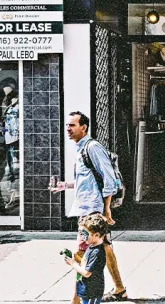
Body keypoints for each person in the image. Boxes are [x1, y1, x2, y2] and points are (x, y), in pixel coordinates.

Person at [49, 112, 127, 303]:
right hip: (88, 208)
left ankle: (77, 301)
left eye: (72, 125)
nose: (68, 129)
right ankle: (119, 289)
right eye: (67, 125)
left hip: (92, 211)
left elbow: (110, 179)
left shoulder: (92, 147)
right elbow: (87, 181)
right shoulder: (81, 148)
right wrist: (65, 186)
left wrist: (106, 209)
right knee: (105, 249)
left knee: (82, 255)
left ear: (84, 127)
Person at [63, 212, 109, 304]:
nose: (82, 237)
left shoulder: (97, 252)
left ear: (96, 235)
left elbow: (87, 273)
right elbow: (85, 264)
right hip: (87, 289)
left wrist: (73, 264)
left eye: (85, 234)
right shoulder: (91, 247)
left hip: (92, 292)